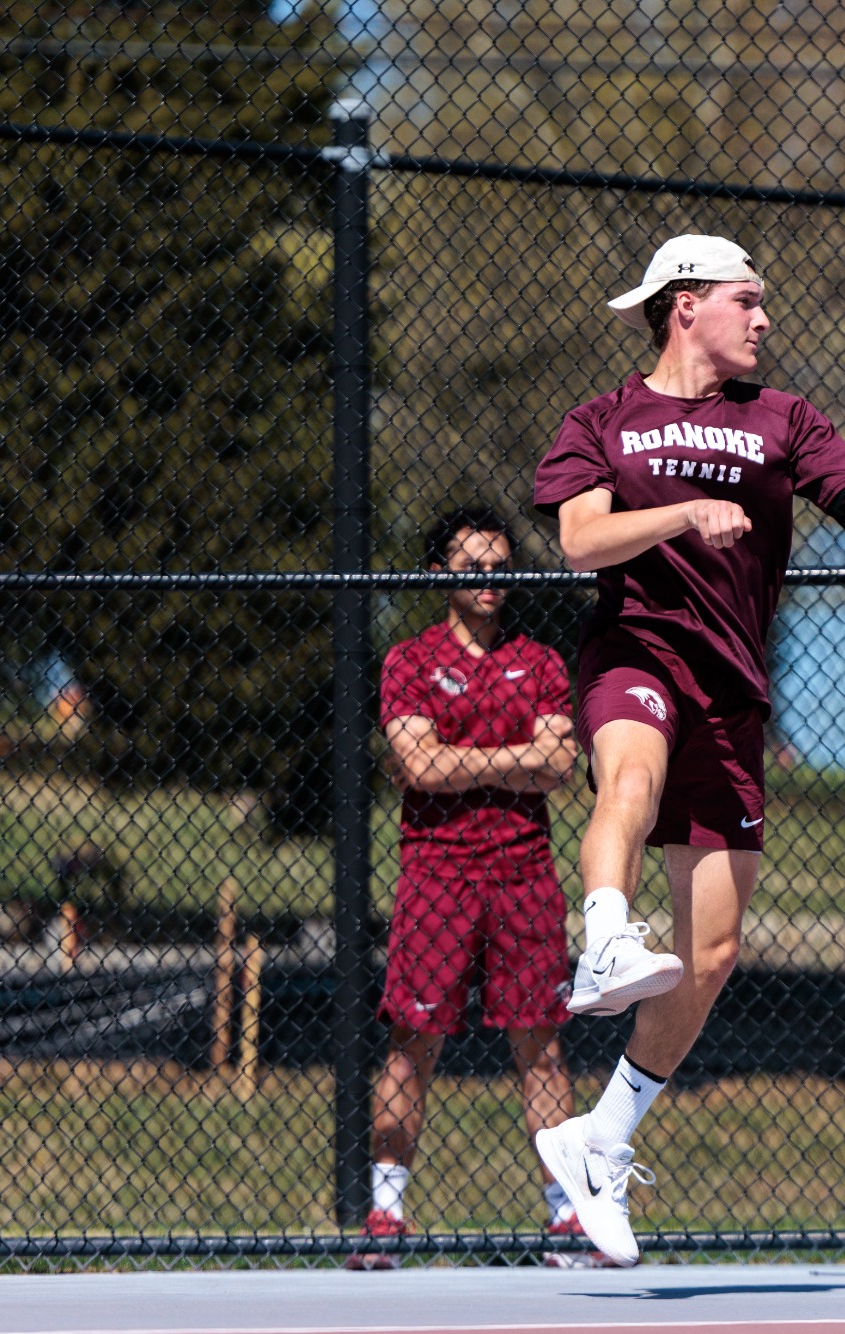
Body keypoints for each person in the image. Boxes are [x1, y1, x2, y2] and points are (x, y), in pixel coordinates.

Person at [529, 234, 845, 1267]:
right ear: (683, 305)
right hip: (635, 651)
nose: (762, 320)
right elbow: (578, 539)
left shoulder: (786, 420)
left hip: (733, 690)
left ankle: (601, 1138)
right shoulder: (602, 420)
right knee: (628, 775)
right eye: (745, 301)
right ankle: (607, 933)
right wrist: (677, 511)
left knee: (709, 955)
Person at [351, 506, 593, 1268]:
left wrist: (463, 755)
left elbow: (558, 767)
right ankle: (386, 1216)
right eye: (472, 569)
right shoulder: (408, 662)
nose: (490, 583)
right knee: (410, 1046)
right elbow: (418, 768)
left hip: (524, 875)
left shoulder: (545, 662)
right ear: (440, 576)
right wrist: (512, 755)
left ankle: (567, 1219)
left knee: (542, 1049)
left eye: (500, 569)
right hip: (436, 876)